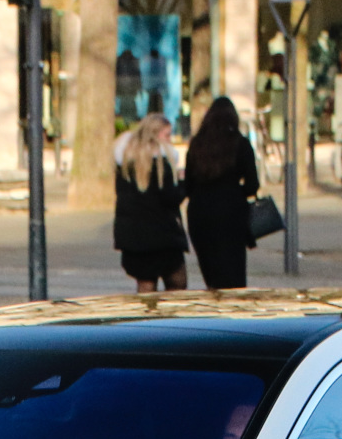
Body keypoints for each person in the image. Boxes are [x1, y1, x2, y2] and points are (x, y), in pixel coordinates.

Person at [183, 97, 259, 290]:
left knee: (211, 272)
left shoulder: (197, 145)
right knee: (232, 273)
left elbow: (188, 184)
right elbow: (252, 185)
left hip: (200, 212)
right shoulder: (240, 144)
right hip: (231, 213)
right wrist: (236, 191)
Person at [111, 114, 189, 293]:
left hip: (134, 237)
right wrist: (184, 184)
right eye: (167, 135)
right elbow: (171, 198)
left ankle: (146, 319)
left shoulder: (125, 161)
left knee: (145, 284)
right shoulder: (161, 163)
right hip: (162, 236)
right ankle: (172, 320)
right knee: (177, 282)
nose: (170, 140)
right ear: (155, 135)